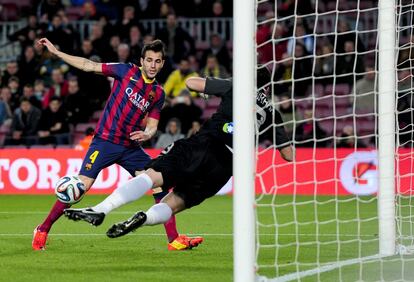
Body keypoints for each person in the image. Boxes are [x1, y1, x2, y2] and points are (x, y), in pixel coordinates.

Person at [64, 68, 294, 240]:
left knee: (151, 176)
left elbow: (191, 82)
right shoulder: (273, 114)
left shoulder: (237, 85)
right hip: (226, 166)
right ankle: (144, 219)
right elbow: (288, 155)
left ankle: (100, 209)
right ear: (267, 87)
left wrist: (215, 88)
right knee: (174, 203)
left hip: (205, 143)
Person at [32, 38, 202, 251]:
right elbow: (89, 65)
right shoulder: (125, 71)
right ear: (142, 60)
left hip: (130, 147)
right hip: (104, 142)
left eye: (157, 61)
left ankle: (173, 239)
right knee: (78, 188)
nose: (152, 65)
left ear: (162, 63)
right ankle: (43, 229)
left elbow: (152, 125)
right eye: (149, 60)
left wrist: (147, 134)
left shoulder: (157, 93)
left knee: (158, 183)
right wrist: (57, 52)